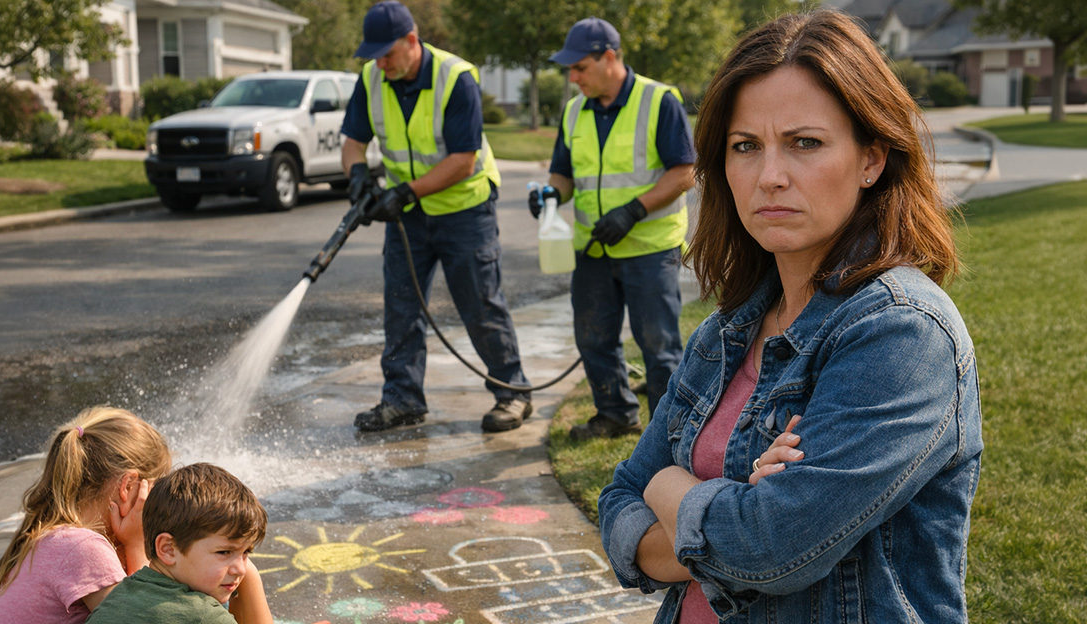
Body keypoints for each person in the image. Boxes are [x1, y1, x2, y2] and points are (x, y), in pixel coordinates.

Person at [597, 9, 983, 624]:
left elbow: (768, 551)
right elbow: (618, 500)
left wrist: (668, 487)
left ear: (871, 159)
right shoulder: (727, 332)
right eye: (746, 147)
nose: (770, 177)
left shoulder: (902, 332)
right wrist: (729, 509)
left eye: (805, 143)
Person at [341, 0, 532, 433]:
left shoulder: (455, 77)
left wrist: (404, 192)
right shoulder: (372, 78)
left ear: (411, 40)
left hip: (465, 209)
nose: (380, 63)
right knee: (401, 305)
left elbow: (464, 159)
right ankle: (402, 399)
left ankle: (513, 393)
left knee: (480, 304)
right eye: (374, 56)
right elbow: (353, 141)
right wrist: (357, 176)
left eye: (387, 54)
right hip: (409, 215)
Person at [536, 17, 695, 440]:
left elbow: (685, 172)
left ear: (609, 57)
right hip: (595, 249)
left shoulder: (658, 101)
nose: (573, 78)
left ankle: (667, 436)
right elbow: (563, 175)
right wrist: (550, 195)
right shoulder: (574, 112)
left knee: (659, 346)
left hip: (649, 248)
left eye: (580, 67)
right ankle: (616, 414)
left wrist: (632, 211)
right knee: (593, 339)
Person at [0, 407, 271, 624]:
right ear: (129, 487)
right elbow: (143, 611)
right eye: (156, 488)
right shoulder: (83, 548)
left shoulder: (54, 534)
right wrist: (136, 544)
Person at [86, 463, 269, 624]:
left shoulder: (120, 595)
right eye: (224, 552)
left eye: (246, 552)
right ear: (168, 549)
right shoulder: (205, 616)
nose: (241, 569)